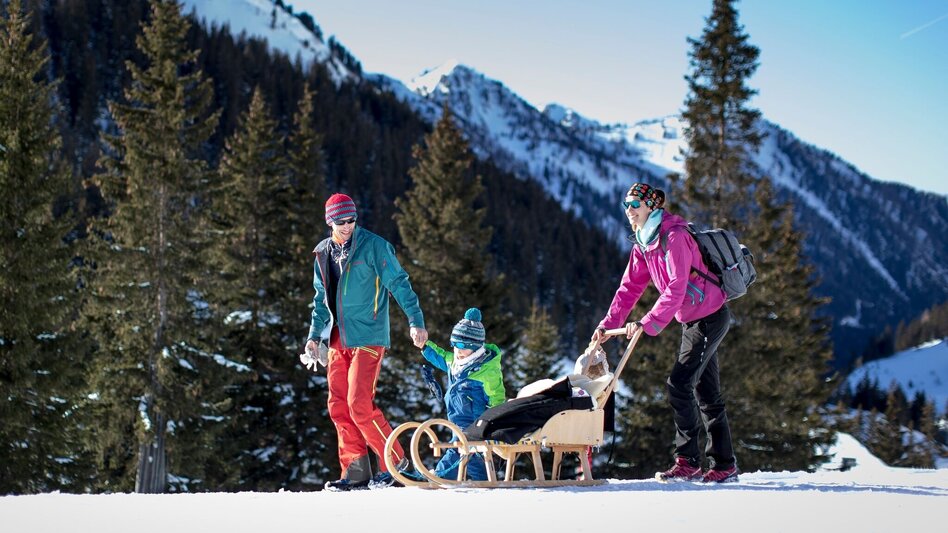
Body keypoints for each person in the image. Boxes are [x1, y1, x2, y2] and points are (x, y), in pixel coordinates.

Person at [591, 182, 739, 483]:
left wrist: (646, 322)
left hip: (710, 317)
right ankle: (724, 465)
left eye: (635, 205)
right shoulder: (645, 243)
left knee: (679, 384)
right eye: (626, 205)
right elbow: (630, 288)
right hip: (693, 320)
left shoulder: (675, 236)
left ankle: (689, 461)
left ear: (652, 206)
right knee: (706, 392)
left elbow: (676, 286)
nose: (629, 211)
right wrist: (607, 324)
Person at [300, 193, 428, 491]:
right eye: (341, 221)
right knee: (338, 406)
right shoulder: (322, 254)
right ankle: (355, 472)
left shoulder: (374, 246)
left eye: (351, 220)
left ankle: (396, 466)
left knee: (359, 403)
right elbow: (321, 302)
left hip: (369, 336)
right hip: (336, 341)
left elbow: (399, 283)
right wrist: (313, 338)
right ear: (330, 221)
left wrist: (416, 321)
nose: (347, 226)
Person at [419, 308, 506, 481]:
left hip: (474, 424)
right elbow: (440, 356)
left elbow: (497, 400)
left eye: (462, 346)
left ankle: (439, 477)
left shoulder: (487, 372)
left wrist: (495, 428)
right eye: (454, 344)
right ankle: (486, 482)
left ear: (475, 347)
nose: (457, 350)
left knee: (459, 449)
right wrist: (424, 345)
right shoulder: (455, 363)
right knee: (469, 456)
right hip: (456, 422)